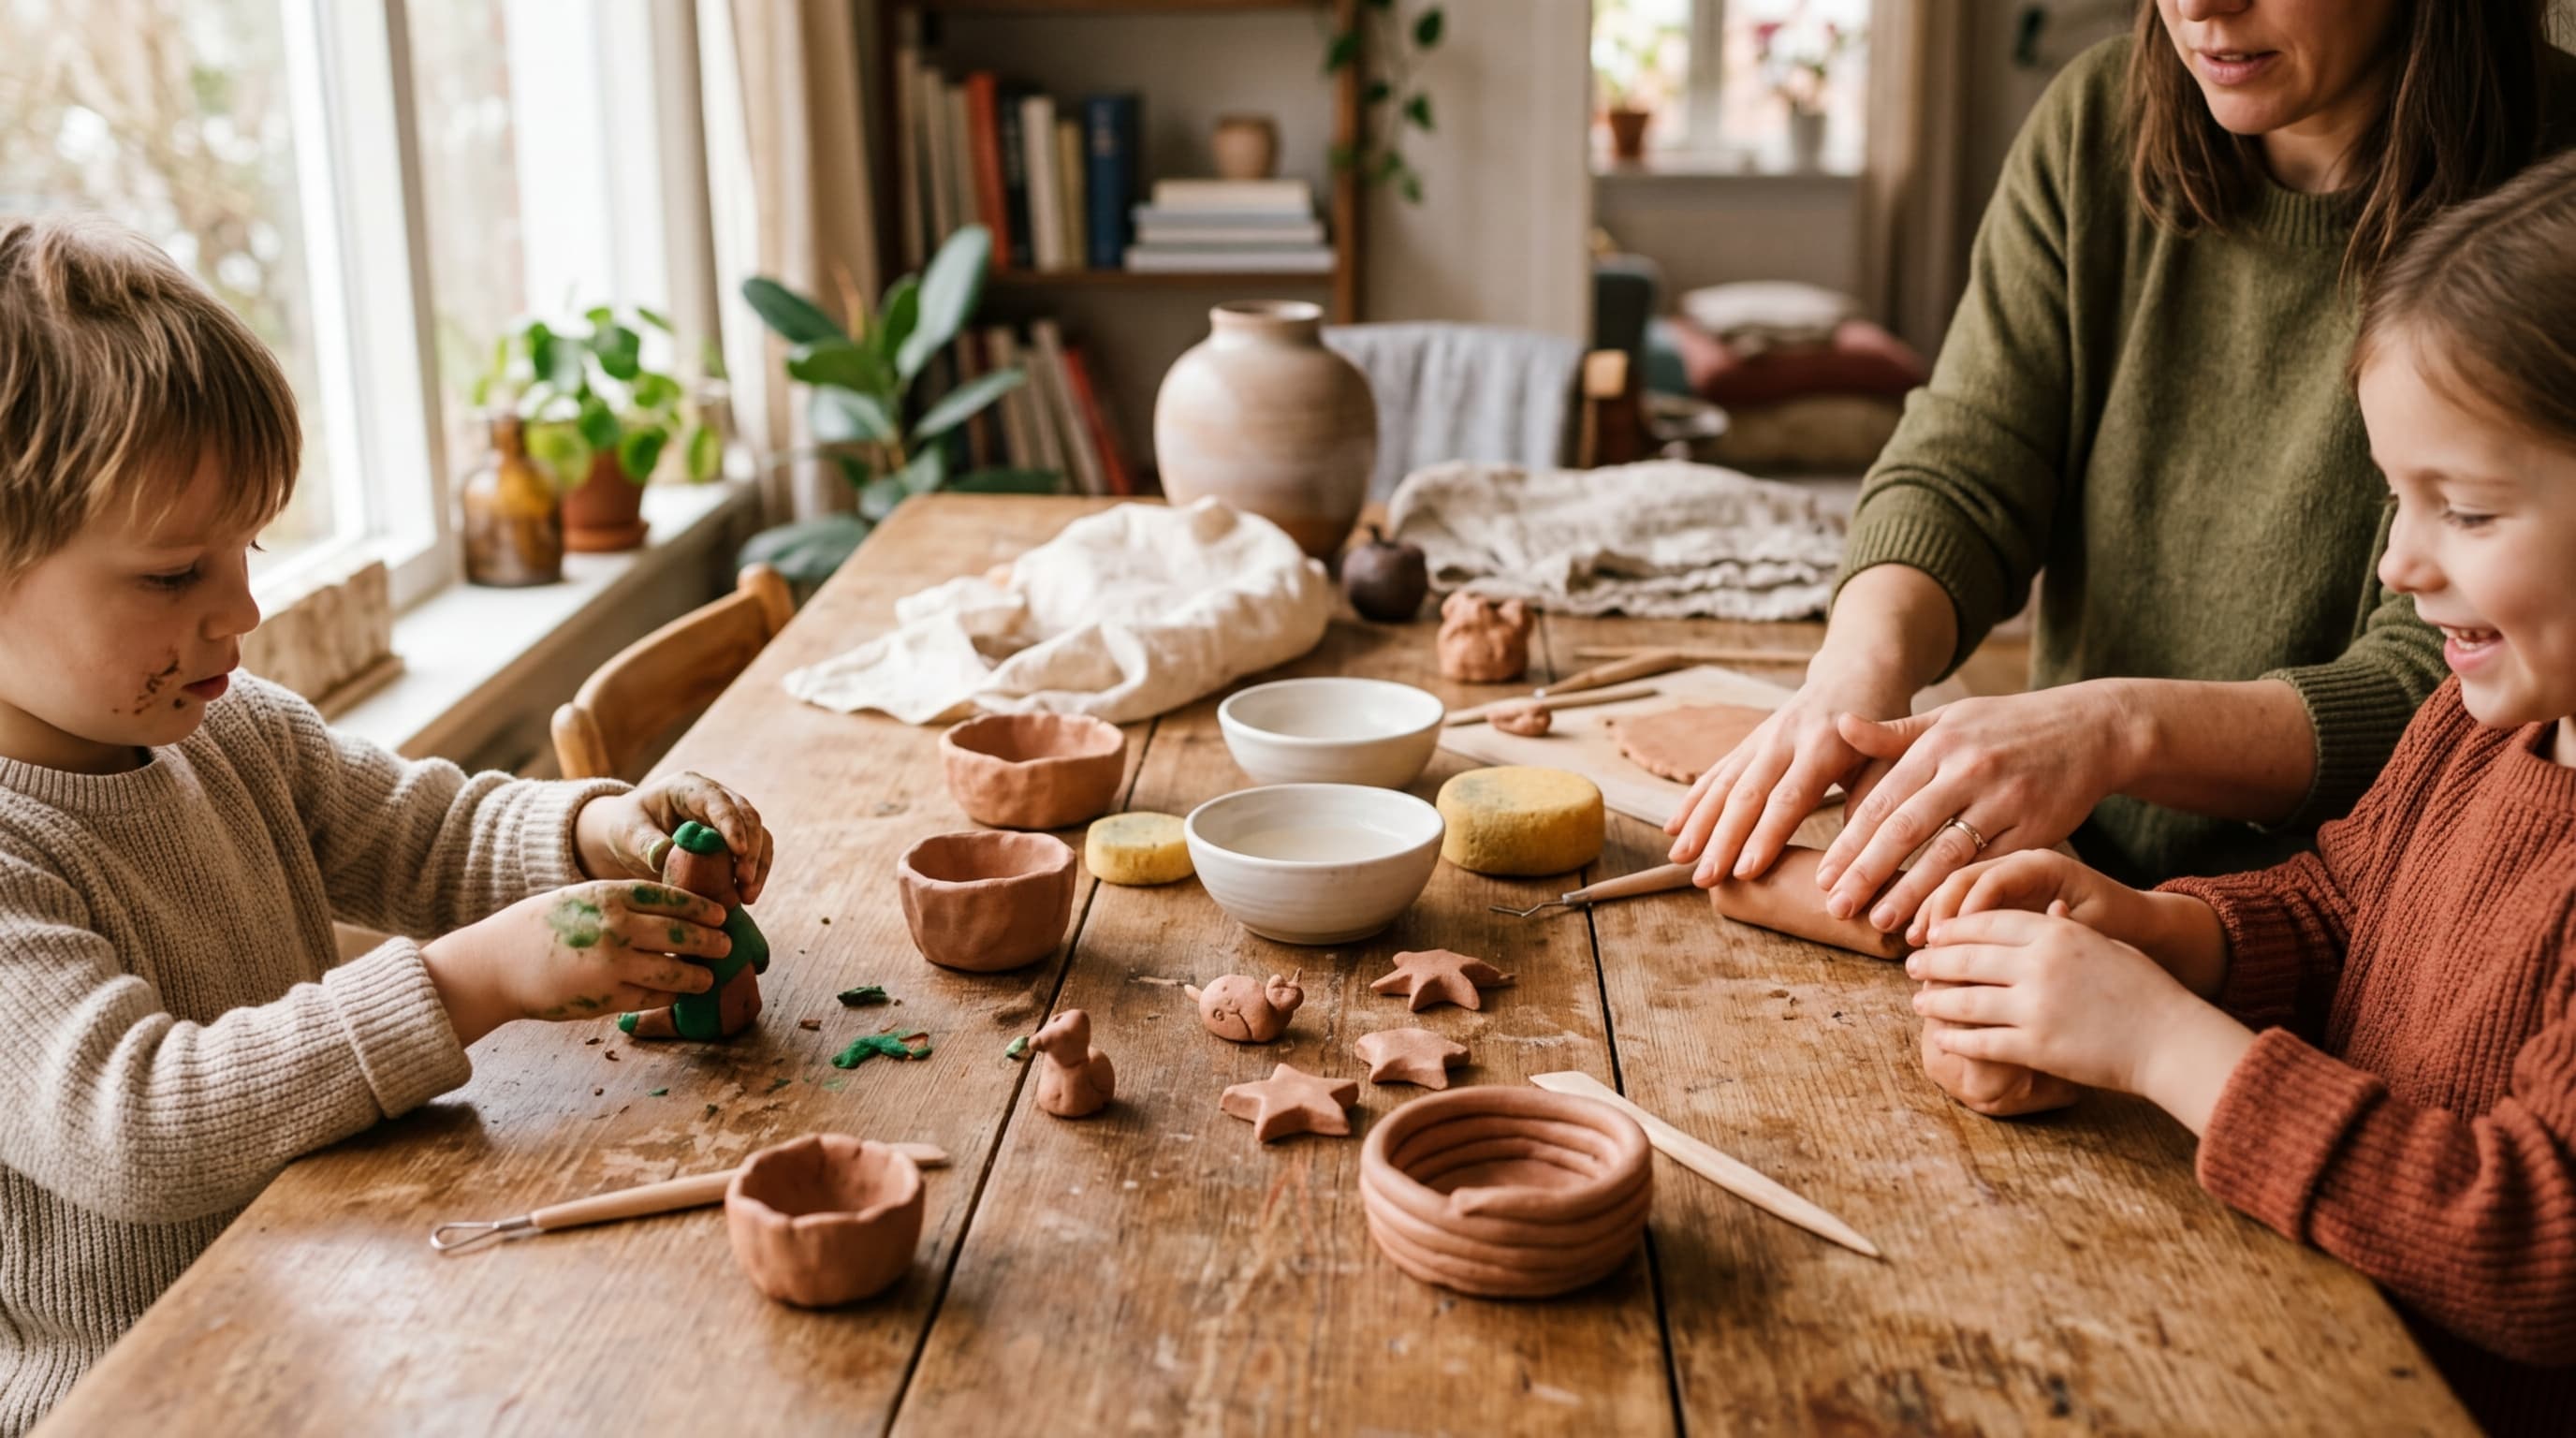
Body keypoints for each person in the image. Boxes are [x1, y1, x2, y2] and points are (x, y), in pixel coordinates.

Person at [0, 215, 778, 1433]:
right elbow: (138, 1123)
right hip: (141, 1396)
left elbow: (425, 835)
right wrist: (474, 981)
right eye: (172, 576)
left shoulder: (232, 728)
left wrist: (593, 836)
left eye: (248, 548)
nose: (242, 608)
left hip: (324, 1304)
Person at [1908, 149, 2576, 1436]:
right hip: (2316, 1338)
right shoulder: (2481, 722)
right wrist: (2167, 937)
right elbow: (2346, 904)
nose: (2397, 565)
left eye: (2468, 512)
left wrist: (2164, 1046)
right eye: (2397, 497)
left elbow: (2536, 1245)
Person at [1665, 0, 2572, 937]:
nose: (2197, 7)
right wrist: (1855, 672)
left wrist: (2113, 733)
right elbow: (1969, 459)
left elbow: (2453, 679)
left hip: (2344, 934)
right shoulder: (2097, 118)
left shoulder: (2550, 194)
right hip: (2072, 875)